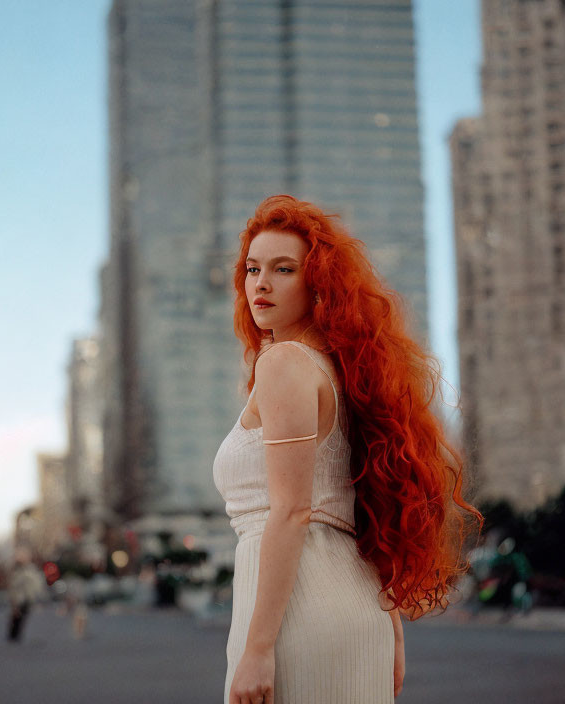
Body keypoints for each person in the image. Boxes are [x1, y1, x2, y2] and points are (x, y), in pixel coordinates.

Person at [212, 195, 482, 703]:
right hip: (353, 610)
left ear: (318, 283)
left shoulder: (286, 363)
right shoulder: (343, 374)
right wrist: (391, 628)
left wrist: (257, 648)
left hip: (296, 618)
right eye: (252, 269)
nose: (260, 284)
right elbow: (360, 507)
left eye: (283, 269)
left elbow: (292, 512)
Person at [6, 550, 47, 643]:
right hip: (21, 598)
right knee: (17, 616)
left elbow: (35, 585)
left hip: (24, 598)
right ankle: (14, 635)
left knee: (19, 616)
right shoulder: (21, 570)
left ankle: (14, 635)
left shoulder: (27, 570)